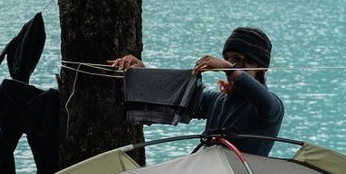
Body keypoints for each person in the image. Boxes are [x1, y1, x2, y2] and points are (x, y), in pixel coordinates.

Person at [113, 25, 283, 155]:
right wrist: (142, 73)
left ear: (261, 68)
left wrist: (229, 69)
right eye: (227, 59)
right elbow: (173, 97)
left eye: (238, 60)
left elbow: (263, 100)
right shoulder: (217, 101)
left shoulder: (272, 107)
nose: (231, 63)